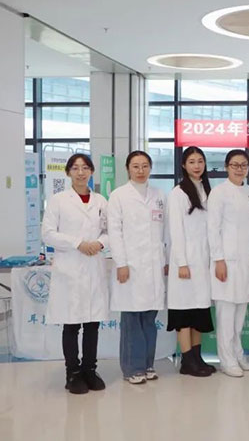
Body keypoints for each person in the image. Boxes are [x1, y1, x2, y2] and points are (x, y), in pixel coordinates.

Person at [41, 153, 108, 394]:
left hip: (93, 265)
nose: (81, 172)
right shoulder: (58, 200)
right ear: (68, 172)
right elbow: (47, 234)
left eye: (85, 168)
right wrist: (78, 243)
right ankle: (73, 372)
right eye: (76, 168)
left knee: (92, 324)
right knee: (71, 325)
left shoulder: (101, 200)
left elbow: (109, 230)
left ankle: (90, 369)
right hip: (69, 267)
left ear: (91, 172)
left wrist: (100, 243)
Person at [108, 151, 168, 384]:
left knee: (149, 319)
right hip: (130, 266)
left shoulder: (159, 195)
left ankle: (147, 364)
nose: (140, 170)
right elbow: (115, 232)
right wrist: (121, 263)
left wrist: (165, 260)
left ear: (150, 168)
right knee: (132, 318)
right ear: (128, 169)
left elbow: (164, 232)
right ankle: (132, 368)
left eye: (145, 166)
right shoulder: (118, 196)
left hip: (153, 266)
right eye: (135, 166)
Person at [208, 150, 249, 378]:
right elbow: (213, 229)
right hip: (226, 261)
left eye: (243, 165)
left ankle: (238, 354)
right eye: (235, 165)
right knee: (226, 315)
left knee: (240, 314)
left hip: (246, 261)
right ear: (226, 167)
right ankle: (226, 360)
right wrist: (218, 259)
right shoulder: (219, 193)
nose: (239, 169)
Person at [167, 146, 215, 377]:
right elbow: (176, 231)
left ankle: (197, 357)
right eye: (192, 162)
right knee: (184, 313)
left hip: (203, 262)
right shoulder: (178, 193)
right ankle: (187, 361)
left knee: (199, 313)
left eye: (200, 161)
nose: (197, 166)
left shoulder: (207, 189)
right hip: (185, 263)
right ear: (184, 166)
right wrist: (182, 262)